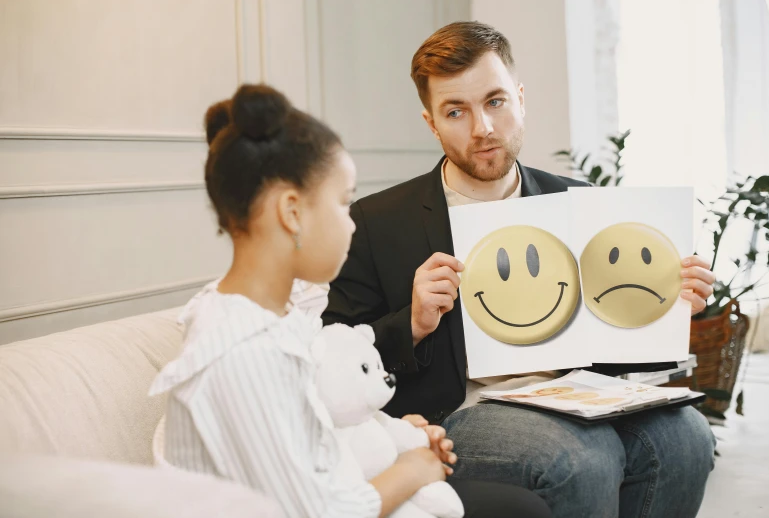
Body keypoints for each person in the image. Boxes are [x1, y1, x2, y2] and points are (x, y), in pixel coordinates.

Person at [323, 21, 716, 518]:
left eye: (495, 101)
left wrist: (667, 301)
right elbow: (329, 354)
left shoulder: (579, 202)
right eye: (455, 111)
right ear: (432, 123)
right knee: (581, 458)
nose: (482, 128)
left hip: (578, 396)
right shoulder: (378, 222)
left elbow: (614, 346)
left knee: (687, 438)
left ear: (520, 98)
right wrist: (414, 323)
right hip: (465, 410)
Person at [149, 84, 551, 518]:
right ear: (292, 212)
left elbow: (316, 425)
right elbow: (320, 511)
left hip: (342, 485)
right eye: (342, 204)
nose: (353, 224)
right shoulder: (242, 350)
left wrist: (395, 433)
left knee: (519, 508)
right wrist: (415, 469)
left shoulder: (282, 312)